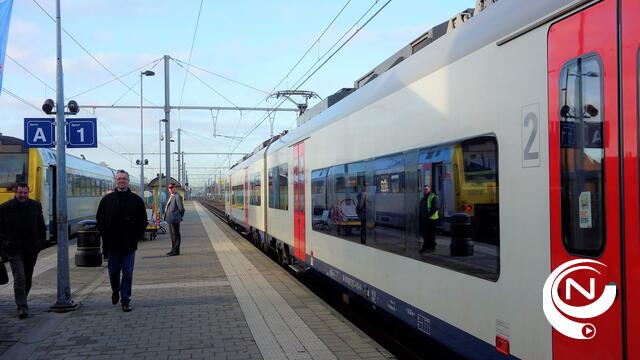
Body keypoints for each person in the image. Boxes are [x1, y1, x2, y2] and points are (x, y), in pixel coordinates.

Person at [96, 170, 147, 312]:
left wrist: (137, 236)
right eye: (119, 179)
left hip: (129, 244)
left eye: (124, 179)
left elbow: (143, 220)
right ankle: (115, 290)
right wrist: (104, 235)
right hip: (112, 244)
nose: (121, 181)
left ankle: (125, 300)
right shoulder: (107, 200)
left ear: (128, 181)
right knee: (113, 272)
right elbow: (99, 219)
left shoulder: (136, 200)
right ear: (115, 181)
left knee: (128, 273)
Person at [0, 182, 46, 319]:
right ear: (15, 193)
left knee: (27, 279)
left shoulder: (35, 206)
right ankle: (22, 307)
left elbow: (41, 227)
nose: (23, 195)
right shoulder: (5, 208)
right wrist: (3, 248)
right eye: (20, 193)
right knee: (19, 277)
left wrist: (39, 244)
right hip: (13, 249)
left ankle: (22, 299)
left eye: (25, 193)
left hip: (31, 249)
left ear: (28, 192)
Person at [164, 183, 185, 256]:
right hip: (170, 219)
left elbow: (181, 209)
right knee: (173, 235)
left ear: (175, 188)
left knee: (176, 235)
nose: (170, 189)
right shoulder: (171, 196)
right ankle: (173, 250)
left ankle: (176, 251)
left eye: (172, 187)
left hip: (175, 219)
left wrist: (179, 217)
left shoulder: (177, 196)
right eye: (169, 188)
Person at [419, 185, 439, 253]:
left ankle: (428, 247)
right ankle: (429, 246)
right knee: (426, 234)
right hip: (425, 219)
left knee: (429, 234)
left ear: (429, 189)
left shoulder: (433, 197)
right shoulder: (423, 198)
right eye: (424, 189)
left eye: (427, 189)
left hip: (432, 219)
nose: (425, 190)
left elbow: (436, 207)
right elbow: (421, 208)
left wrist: (428, 215)